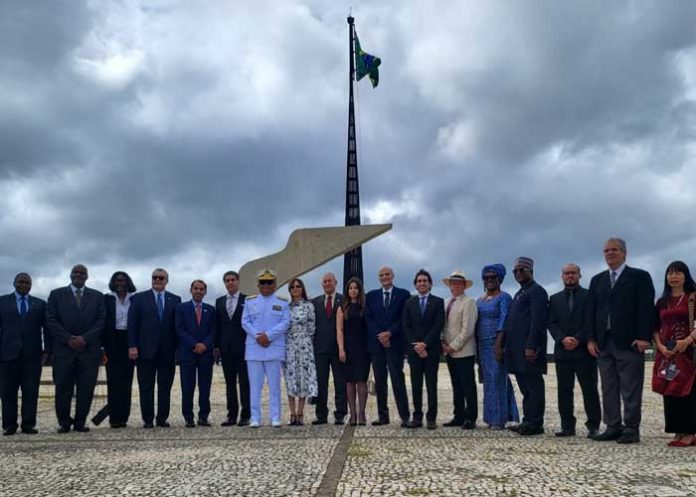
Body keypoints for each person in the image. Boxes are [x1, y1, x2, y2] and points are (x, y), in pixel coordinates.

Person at [586, 237, 655, 444]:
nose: (609, 253)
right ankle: (613, 425)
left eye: (614, 250)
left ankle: (631, 428)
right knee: (608, 386)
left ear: (624, 253)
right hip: (603, 342)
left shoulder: (639, 277)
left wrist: (644, 337)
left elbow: (646, 308)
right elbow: (591, 311)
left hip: (629, 342)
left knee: (630, 387)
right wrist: (590, 339)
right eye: (606, 250)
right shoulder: (597, 280)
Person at [46, 264, 106, 433]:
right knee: (63, 388)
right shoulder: (56, 295)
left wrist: (84, 338)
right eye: (76, 272)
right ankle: (64, 422)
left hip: (88, 351)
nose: (78, 275)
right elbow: (51, 320)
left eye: (82, 273)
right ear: (70, 275)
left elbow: (101, 321)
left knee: (86, 389)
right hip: (64, 351)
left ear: (87, 277)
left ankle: (80, 421)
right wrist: (68, 339)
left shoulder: (97, 296)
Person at [547, 264, 601, 438]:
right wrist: (562, 339)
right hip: (562, 352)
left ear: (579, 275)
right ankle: (567, 425)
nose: (570, 276)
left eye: (573, 273)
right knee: (564, 390)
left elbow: (591, 321)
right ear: (562, 276)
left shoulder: (589, 296)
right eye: (566, 273)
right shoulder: (554, 299)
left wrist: (577, 338)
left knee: (590, 389)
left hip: (584, 351)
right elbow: (551, 323)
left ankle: (593, 425)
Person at [499, 257, 548, 436]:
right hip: (517, 350)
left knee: (533, 387)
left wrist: (531, 346)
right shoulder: (520, 292)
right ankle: (528, 419)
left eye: (522, 270)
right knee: (525, 388)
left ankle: (536, 423)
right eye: (516, 271)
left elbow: (537, 322)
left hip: (529, 350)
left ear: (531, 271)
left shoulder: (537, 292)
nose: (519, 273)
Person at [128, 268, 181, 428]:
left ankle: (162, 418)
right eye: (155, 277)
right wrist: (132, 346)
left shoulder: (175, 299)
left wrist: (178, 349)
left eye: (161, 277)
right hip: (145, 350)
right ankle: (148, 419)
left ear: (166, 280)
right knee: (146, 386)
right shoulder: (138, 298)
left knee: (165, 386)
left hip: (167, 351)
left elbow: (177, 326)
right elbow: (132, 324)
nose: (158, 280)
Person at [651, 261, 696, 447]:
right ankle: (677, 430)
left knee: (688, 391)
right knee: (669, 390)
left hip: (688, 353)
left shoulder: (692, 298)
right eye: (670, 273)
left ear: (685, 276)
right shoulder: (662, 302)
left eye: (678, 273)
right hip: (667, 355)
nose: (674, 276)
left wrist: (687, 340)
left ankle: (690, 431)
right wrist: (660, 346)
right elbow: (655, 327)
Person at [0, 273, 48, 435]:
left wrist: (47, 351)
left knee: (30, 392)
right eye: (21, 281)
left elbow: (47, 330)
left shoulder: (40, 304)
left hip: (32, 356)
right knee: (7, 393)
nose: (24, 285)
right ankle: (9, 425)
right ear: (14, 283)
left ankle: (28, 424)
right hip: (7, 355)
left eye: (28, 283)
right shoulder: (2, 302)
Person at [241, 269, 290, 427]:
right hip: (254, 349)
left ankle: (275, 417)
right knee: (255, 386)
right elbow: (245, 321)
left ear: (275, 284)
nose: (266, 285)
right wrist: (258, 336)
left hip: (273, 348)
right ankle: (255, 418)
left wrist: (268, 336)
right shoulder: (250, 301)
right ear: (258, 285)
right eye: (263, 282)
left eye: (269, 282)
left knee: (274, 386)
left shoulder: (282, 302)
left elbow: (285, 322)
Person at [364, 266, 411, 427]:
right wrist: (380, 335)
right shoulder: (371, 296)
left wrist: (390, 333)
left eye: (387, 274)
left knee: (398, 380)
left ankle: (405, 416)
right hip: (377, 345)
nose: (384, 277)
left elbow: (404, 318)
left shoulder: (404, 295)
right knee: (380, 381)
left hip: (395, 343)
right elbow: (368, 317)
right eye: (381, 275)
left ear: (393, 276)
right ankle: (383, 416)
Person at [476, 264, 519, 430]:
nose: (489, 280)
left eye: (493, 277)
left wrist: (499, 344)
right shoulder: (479, 300)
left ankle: (499, 419)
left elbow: (504, 320)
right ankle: (490, 417)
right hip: (482, 344)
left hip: (496, 342)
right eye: (486, 278)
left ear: (499, 279)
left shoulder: (504, 298)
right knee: (488, 382)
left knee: (498, 380)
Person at [402, 269, 445, 429]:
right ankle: (417, 416)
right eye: (419, 281)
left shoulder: (438, 302)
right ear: (415, 284)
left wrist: (425, 344)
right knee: (416, 385)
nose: (422, 283)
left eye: (425, 281)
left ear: (430, 284)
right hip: (414, 351)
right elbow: (406, 325)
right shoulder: (409, 302)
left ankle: (432, 417)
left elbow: (438, 325)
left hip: (431, 350)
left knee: (432, 385)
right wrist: (416, 346)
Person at [176, 279, 217, 427]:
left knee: (205, 387)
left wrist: (204, 344)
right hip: (187, 353)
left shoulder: (210, 310)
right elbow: (179, 329)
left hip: (205, 354)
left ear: (205, 292)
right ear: (191, 290)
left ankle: (203, 416)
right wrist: (194, 344)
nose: (198, 291)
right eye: (196, 288)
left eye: (201, 289)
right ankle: (188, 417)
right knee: (187, 387)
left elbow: (213, 330)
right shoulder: (181, 308)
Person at [442, 270, 478, 429]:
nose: (455, 286)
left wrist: (453, 346)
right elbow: (442, 325)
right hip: (449, 350)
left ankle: (471, 417)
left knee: (467, 385)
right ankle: (458, 415)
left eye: (458, 283)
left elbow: (467, 330)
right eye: (453, 283)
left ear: (464, 285)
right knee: (456, 385)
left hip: (463, 352)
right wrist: (443, 342)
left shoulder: (469, 302)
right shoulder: (446, 302)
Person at [214, 270, 250, 426]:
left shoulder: (247, 299)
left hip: (243, 348)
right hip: (226, 349)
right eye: (227, 280)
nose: (230, 283)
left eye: (232, 280)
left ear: (238, 281)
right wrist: (216, 346)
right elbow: (218, 325)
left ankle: (245, 415)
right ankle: (231, 415)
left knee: (244, 383)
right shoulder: (220, 301)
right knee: (230, 384)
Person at [311, 273, 347, 425]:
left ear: (335, 282)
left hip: (337, 349)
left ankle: (340, 414)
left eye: (330, 281)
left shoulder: (343, 300)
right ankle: (321, 414)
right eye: (324, 281)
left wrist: (342, 348)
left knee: (340, 383)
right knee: (321, 383)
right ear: (322, 284)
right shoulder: (315, 302)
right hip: (320, 349)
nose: (327, 284)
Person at [103, 271, 136, 428]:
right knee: (113, 380)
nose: (120, 282)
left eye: (122, 280)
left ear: (127, 281)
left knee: (126, 381)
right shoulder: (107, 299)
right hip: (112, 341)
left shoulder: (134, 299)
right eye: (117, 280)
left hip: (129, 339)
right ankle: (114, 417)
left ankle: (124, 417)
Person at [337, 277, 370, 426]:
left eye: (356, 288)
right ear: (347, 290)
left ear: (360, 290)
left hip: (363, 348)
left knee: (362, 382)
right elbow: (339, 330)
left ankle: (362, 413)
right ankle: (353, 414)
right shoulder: (342, 308)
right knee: (349, 383)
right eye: (350, 288)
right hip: (348, 348)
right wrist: (341, 349)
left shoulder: (365, 306)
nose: (353, 290)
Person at [285, 278, 318, 426]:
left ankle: (300, 412)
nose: (295, 288)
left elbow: (312, 328)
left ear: (302, 288)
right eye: (292, 286)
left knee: (303, 378)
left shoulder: (309, 306)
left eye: (298, 286)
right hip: (289, 345)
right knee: (291, 379)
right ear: (290, 290)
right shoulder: (286, 307)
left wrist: (305, 341)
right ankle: (292, 413)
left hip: (304, 344)